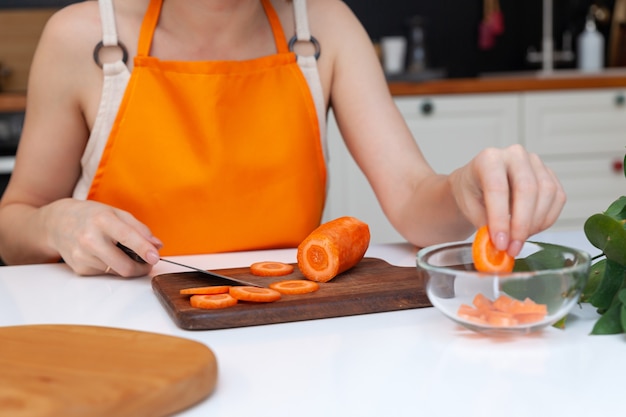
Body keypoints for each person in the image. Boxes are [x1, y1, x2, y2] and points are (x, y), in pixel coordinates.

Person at [0, 0, 565, 277]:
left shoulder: (324, 27)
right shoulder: (82, 39)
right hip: (127, 339)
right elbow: (13, 224)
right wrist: (56, 221)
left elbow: (417, 204)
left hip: (285, 331)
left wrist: (467, 188)